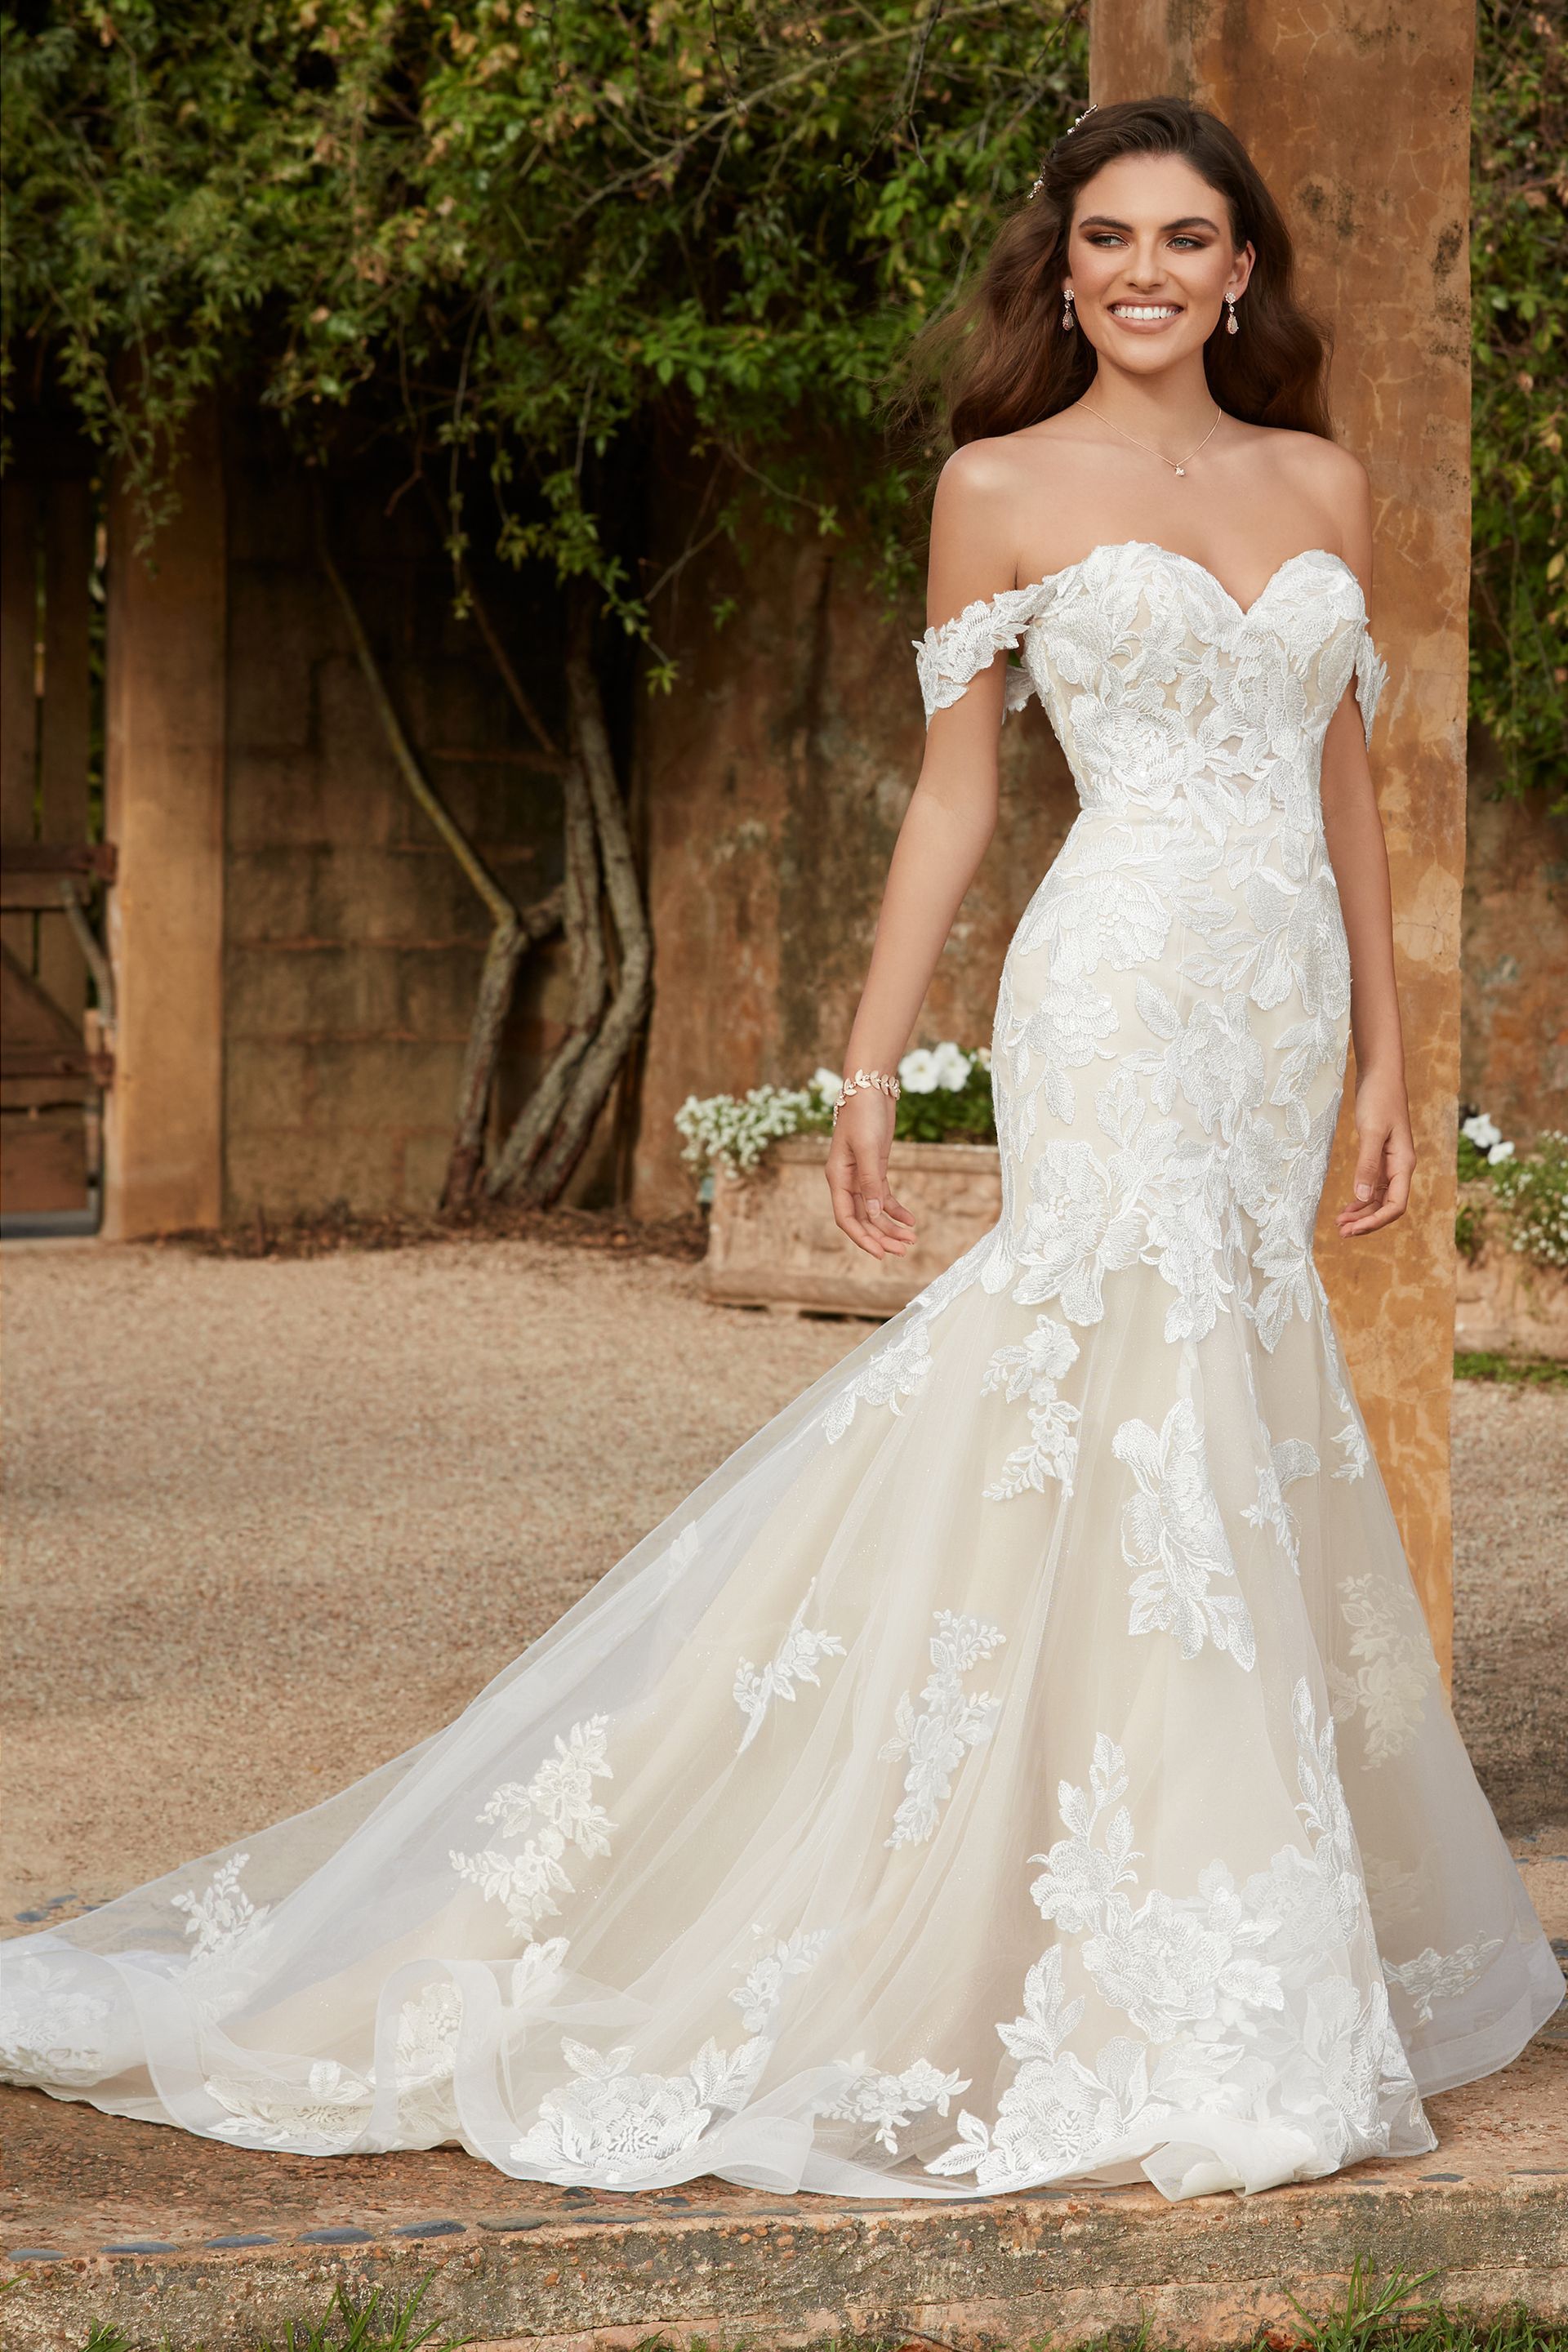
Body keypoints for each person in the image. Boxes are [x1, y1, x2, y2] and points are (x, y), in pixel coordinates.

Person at [2, 95, 1558, 2206]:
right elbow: (954, 801)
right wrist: (860, 1057)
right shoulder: (995, 485)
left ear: (1242, 269)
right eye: (1110, 237)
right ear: (1066, 263)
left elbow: (1347, 785)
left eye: (1188, 239)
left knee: (1221, 1414)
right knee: (1120, 1380)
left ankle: (1174, 1900)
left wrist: (1392, 1052)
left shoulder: (1319, 482)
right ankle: (1158, 1966)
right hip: (1110, 992)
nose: (1147, 272)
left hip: (1277, 1013)